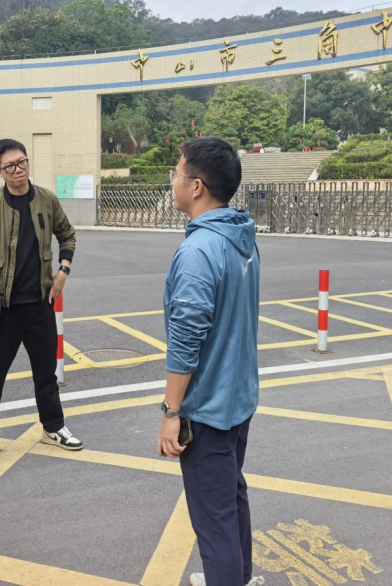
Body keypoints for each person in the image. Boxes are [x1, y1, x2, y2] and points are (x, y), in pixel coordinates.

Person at [156, 137, 263, 586]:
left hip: (208, 409)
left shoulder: (199, 251)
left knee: (213, 519)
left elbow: (186, 340)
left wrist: (171, 413)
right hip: (238, 399)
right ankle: (240, 577)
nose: (173, 181)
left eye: (177, 173)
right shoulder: (241, 238)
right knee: (231, 497)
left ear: (196, 186)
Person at [0, 138, 81, 470]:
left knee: (46, 373)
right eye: (10, 166)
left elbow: (67, 235)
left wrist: (63, 270)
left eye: (22, 162)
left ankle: (53, 427)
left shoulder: (46, 199)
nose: (18, 169)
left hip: (39, 303)